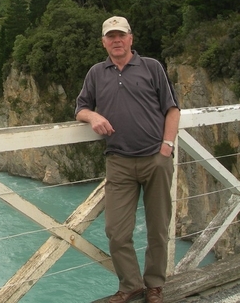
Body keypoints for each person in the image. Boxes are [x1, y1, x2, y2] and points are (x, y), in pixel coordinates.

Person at [75, 16, 180, 303]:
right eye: (111, 36)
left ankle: (155, 285)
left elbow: (172, 109)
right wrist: (93, 115)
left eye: (121, 35)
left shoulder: (152, 67)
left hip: (155, 159)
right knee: (116, 232)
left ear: (131, 38)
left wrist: (166, 148)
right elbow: (80, 108)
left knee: (158, 228)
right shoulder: (96, 73)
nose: (116, 40)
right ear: (104, 42)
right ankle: (131, 284)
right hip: (119, 161)